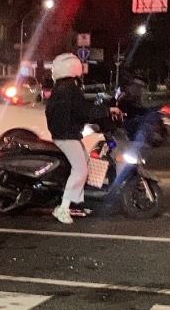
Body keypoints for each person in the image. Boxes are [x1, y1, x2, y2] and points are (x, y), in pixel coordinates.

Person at [45, 53, 122, 224]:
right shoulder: (69, 88)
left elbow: (80, 107)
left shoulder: (63, 86)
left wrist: (101, 107)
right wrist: (107, 111)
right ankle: (63, 208)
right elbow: (83, 111)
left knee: (86, 163)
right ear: (74, 68)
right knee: (80, 170)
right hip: (66, 136)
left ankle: (78, 203)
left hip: (67, 133)